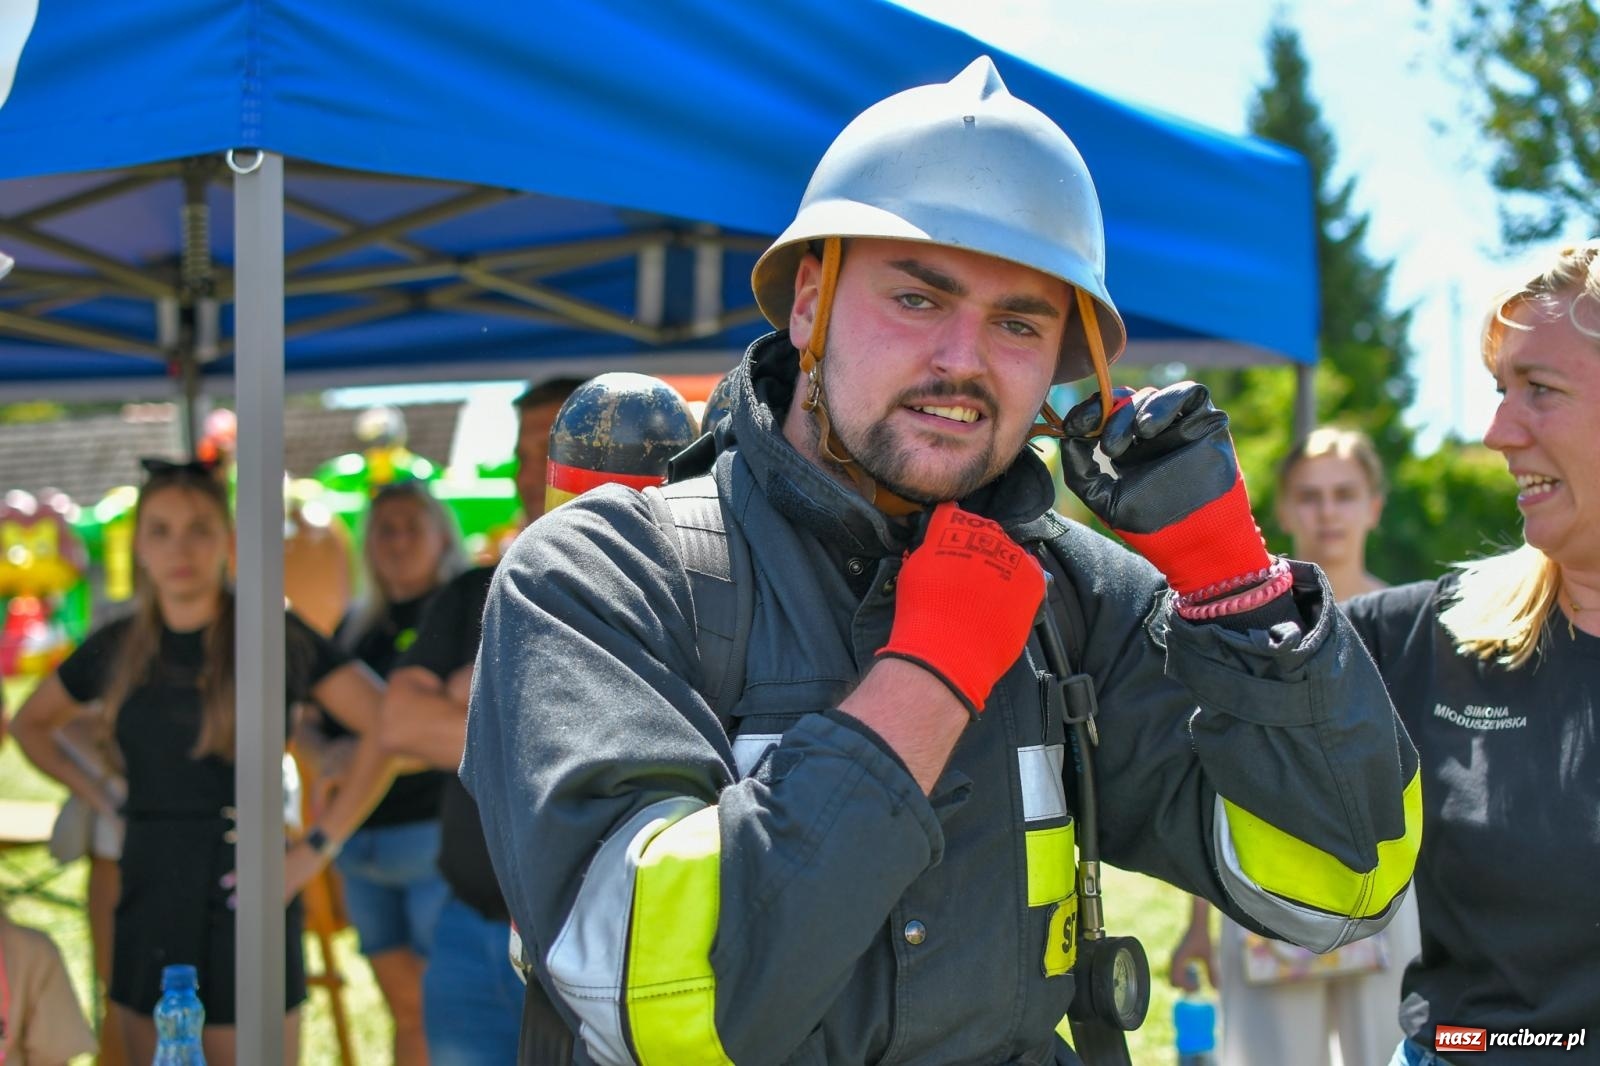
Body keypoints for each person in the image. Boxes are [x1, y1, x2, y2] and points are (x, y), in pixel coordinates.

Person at [461, 58, 1419, 1066]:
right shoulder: (605, 575)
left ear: (1060, 367)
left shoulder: (1073, 597)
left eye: (1018, 322)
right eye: (919, 299)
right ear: (809, 303)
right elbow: (654, 1000)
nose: (965, 360)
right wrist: (929, 674)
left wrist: (1236, 586)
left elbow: (1340, 885)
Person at [8, 459, 395, 1066]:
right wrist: (106, 792)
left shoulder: (273, 634)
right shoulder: (119, 644)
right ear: (137, 545)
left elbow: (389, 727)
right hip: (148, 879)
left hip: (248, 881)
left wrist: (315, 849)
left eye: (198, 528)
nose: (179, 548)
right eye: (160, 530)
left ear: (229, 540)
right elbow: (30, 723)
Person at [1339, 241, 1600, 1065]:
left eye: (1540, 390)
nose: (1494, 431)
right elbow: (1208, 670)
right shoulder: (1431, 638)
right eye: (1499, 390)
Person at [1170, 425, 1422, 1066]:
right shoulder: (1246, 624)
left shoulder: (1414, 623)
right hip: (1268, 885)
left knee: (1392, 1053)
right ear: (1282, 507)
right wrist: (1197, 925)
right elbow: (1217, 773)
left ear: (1374, 504)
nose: (1328, 511)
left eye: (1344, 493)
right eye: (1310, 495)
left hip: (1390, 896)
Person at [378, 377, 584, 1066]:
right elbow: (400, 722)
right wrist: (535, 719)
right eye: (524, 454)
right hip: (468, 929)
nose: (535, 472)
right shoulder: (476, 588)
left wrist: (473, 695)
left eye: (553, 448)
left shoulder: (667, 589)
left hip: (591, 940)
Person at [300, 480, 466, 1066]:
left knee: (438, 1006)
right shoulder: (352, 626)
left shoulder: (463, 615)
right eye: (384, 529)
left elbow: (456, 730)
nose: (396, 542)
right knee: (401, 1006)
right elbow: (306, 720)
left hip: (433, 838)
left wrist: (372, 752)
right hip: (357, 844)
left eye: (410, 527)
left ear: (442, 536)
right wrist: (325, 753)